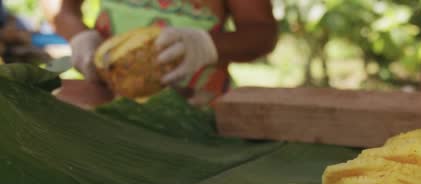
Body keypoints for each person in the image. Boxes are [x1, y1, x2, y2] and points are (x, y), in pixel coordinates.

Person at [42, 0, 277, 106]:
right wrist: (79, 35)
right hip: (106, 98)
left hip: (196, 109)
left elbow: (262, 33)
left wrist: (207, 45)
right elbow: (59, 6)